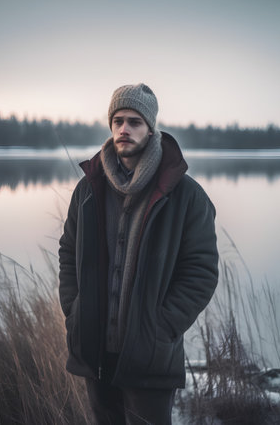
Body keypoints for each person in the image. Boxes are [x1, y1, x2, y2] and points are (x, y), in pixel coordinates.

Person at [59, 83, 219, 424]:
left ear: (151, 129)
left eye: (134, 121)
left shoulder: (185, 195)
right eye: (117, 120)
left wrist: (163, 327)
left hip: (150, 356)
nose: (124, 129)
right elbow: (68, 251)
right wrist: (74, 311)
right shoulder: (89, 188)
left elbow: (201, 271)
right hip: (95, 352)